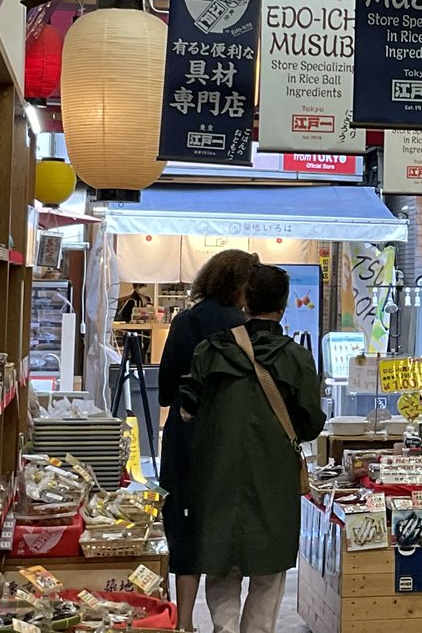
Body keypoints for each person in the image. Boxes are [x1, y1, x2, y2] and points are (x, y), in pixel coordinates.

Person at [179, 264, 326, 633]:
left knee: (221, 563)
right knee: (267, 573)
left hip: (215, 475)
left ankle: (223, 629)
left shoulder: (210, 351)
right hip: (272, 479)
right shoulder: (294, 357)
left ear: (245, 299)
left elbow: (186, 409)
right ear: (284, 304)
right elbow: (309, 424)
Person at [158, 249, 260, 632]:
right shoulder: (249, 328)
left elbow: (166, 390)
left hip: (186, 438)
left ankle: (183, 622)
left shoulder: (188, 321)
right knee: (219, 526)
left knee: (183, 524)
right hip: (232, 441)